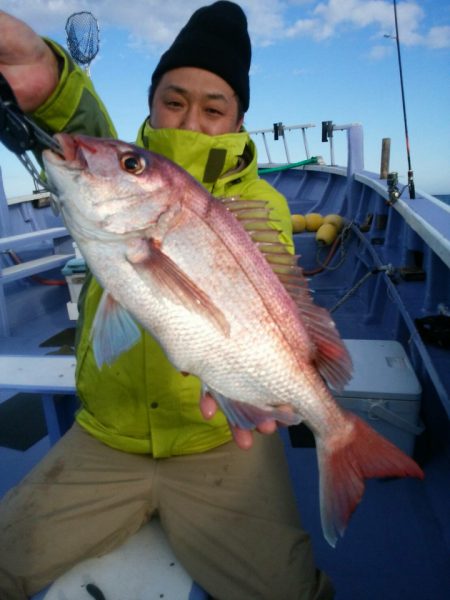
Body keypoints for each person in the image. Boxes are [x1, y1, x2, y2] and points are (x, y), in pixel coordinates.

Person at [0, 3, 334, 599]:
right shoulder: (120, 166)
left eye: (214, 108)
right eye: (173, 101)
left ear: (237, 120)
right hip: (108, 433)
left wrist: (263, 385)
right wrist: (49, 79)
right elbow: (78, 118)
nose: (191, 120)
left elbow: (270, 308)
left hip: (217, 444)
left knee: (288, 591)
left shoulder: (262, 205)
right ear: (151, 105)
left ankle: (340, 441)